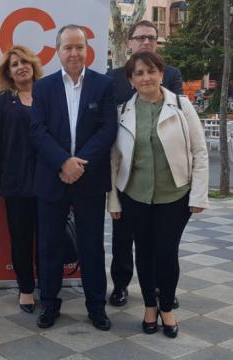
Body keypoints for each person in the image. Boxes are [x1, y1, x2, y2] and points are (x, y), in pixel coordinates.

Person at [108, 51, 208, 338]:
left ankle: (166, 307)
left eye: (151, 71)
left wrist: (198, 195)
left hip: (174, 196)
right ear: (130, 80)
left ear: (161, 74)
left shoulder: (181, 105)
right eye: (138, 73)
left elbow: (199, 152)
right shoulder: (123, 112)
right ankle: (149, 306)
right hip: (135, 196)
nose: (146, 77)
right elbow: (114, 161)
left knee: (166, 253)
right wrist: (113, 200)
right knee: (144, 252)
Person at [30, 25, 117, 330]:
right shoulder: (43, 87)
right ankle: (50, 305)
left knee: (92, 246)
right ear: (58, 51)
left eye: (79, 47)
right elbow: (37, 131)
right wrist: (63, 162)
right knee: (49, 246)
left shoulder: (103, 85)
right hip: (52, 178)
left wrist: (78, 163)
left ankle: (96, 306)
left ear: (87, 49)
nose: (74, 53)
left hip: (89, 179)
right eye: (67, 47)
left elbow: (108, 130)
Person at [107, 20, 184, 308]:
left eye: (151, 37)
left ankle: (163, 290)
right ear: (128, 42)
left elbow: (173, 113)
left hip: (163, 177)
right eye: (140, 38)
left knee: (161, 243)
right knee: (122, 236)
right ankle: (121, 285)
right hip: (126, 172)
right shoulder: (112, 77)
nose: (146, 42)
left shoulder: (172, 75)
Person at [0, 45, 43, 313]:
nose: (21, 66)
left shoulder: (48, 95)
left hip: (48, 182)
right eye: (14, 64)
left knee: (48, 238)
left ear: (33, 64)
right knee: (21, 238)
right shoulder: (1, 102)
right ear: (8, 72)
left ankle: (48, 282)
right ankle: (25, 289)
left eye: (24, 61)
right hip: (16, 181)